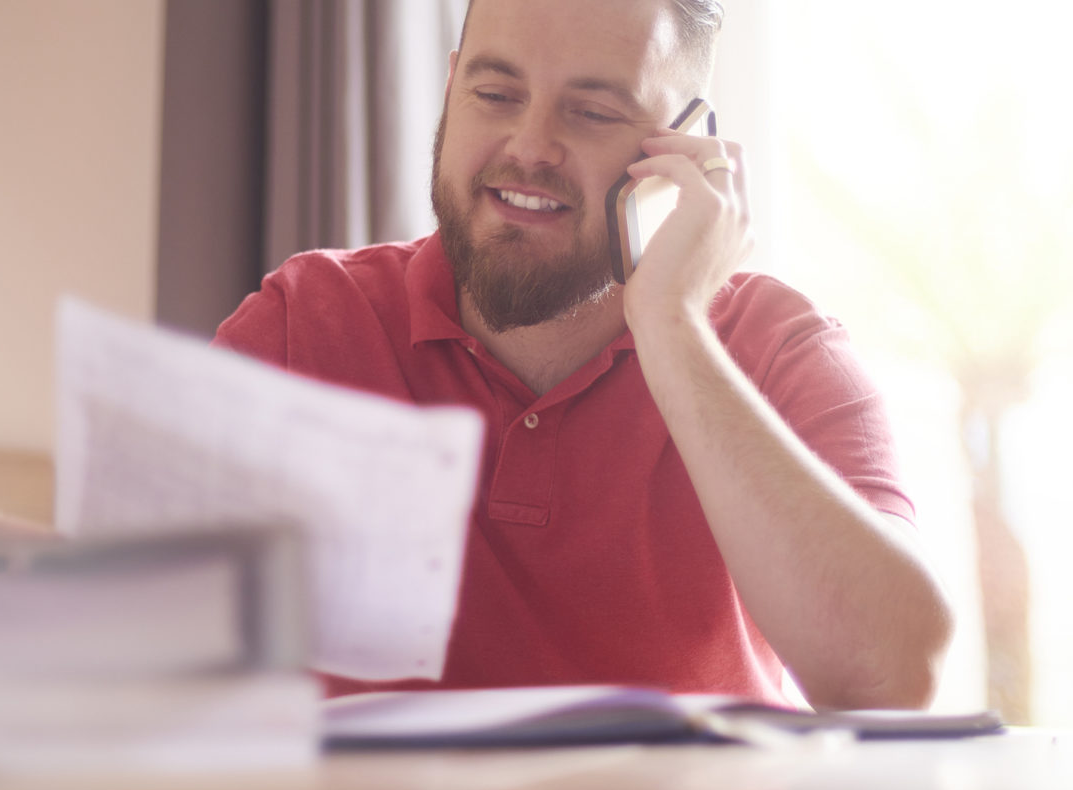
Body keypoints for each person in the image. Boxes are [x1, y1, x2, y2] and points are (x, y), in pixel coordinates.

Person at [213, 0, 953, 711]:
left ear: (687, 149)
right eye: (496, 93)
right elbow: (132, 638)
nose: (530, 146)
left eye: (593, 111)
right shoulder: (303, 322)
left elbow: (892, 678)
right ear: (450, 91)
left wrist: (672, 325)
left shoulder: (778, 348)